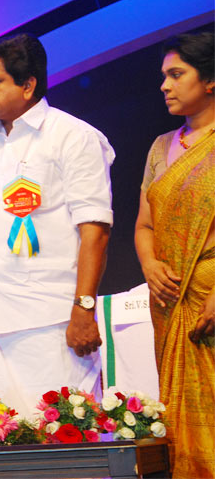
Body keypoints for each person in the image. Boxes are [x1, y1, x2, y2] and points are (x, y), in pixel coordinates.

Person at [0, 34, 114, 418]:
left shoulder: (73, 136)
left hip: (47, 321)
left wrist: (83, 308)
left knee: (58, 436)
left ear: (28, 85)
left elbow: (94, 231)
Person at [134, 32, 214, 477]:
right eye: (164, 76)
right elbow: (144, 225)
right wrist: (149, 264)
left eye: (176, 74)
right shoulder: (161, 147)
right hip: (168, 298)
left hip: (210, 293)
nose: (164, 85)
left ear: (211, 79)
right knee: (181, 415)